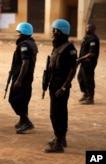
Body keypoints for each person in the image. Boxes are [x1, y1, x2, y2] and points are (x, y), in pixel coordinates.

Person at [43, 19, 77, 153]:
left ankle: (59, 144)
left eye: (55, 30)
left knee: (57, 114)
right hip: (54, 85)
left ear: (62, 31)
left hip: (60, 87)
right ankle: (61, 138)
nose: (53, 32)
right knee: (59, 113)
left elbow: (73, 69)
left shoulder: (69, 48)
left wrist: (64, 87)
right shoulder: (58, 46)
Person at [8, 22, 38, 134]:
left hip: (22, 77)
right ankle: (22, 120)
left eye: (19, 32)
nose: (18, 35)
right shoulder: (31, 43)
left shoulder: (24, 45)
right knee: (23, 99)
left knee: (13, 99)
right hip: (28, 76)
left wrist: (19, 80)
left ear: (24, 33)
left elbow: (25, 63)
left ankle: (27, 122)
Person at [77, 24, 100, 105]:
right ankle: (85, 94)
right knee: (80, 78)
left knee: (88, 79)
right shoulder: (86, 38)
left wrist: (80, 59)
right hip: (83, 62)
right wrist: (79, 59)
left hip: (89, 63)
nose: (86, 29)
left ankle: (90, 97)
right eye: (86, 28)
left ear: (93, 29)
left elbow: (91, 53)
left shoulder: (93, 39)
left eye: (89, 28)